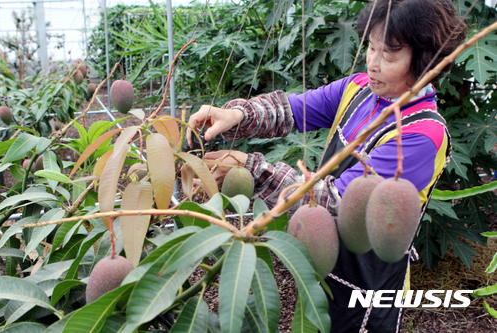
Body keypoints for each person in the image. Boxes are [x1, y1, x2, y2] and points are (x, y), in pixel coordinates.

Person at [187, 0, 467, 332]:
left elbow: (340, 203)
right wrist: (236, 116)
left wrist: (249, 169)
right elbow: (291, 110)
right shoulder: (360, 90)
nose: (373, 63)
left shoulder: (423, 134)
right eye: (371, 48)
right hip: (325, 266)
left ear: (423, 62)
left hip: (366, 288)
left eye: (389, 56)